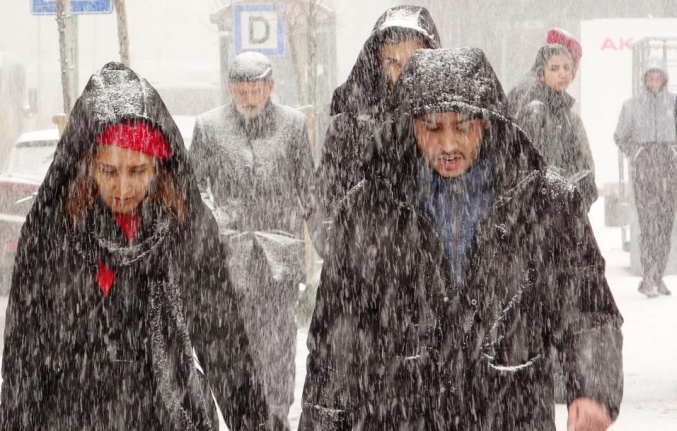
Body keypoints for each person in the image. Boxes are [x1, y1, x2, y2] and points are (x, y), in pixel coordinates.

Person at [299, 48, 623, 431]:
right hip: (399, 416)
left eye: (463, 126)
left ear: (487, 123)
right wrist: (323, 421)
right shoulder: (368, 210)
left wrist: (592, 388)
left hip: (509, 415)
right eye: (432, 127)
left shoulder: (545, 203)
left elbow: (586, 307)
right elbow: (338, 334)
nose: (448, 144)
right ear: (410, 126)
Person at [0, 62, 285, 431]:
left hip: (165, 410)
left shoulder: (184, 227)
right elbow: (25, 356)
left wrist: (253, 423)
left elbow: (222, 339)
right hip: (72, 413)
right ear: (87, 166)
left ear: (159, 168)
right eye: (109, 171)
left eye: (137, 171)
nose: (122, 189)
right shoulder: (54, 231)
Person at [190, 51, 315, 424]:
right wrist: (215, 225)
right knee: (235, 347)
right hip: (231, 261)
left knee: (278, 347)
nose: (248, 97)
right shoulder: (209, 127)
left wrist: (330, 243)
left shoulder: (292, 126)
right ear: (230, 88)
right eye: (241, 90)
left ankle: (276, 415)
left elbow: (308, 191)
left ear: (270, 86)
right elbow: (193, 190)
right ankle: (244, 418)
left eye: (255, 89)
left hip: (278, 261)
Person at [313, 5, 440, 255]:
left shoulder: (449, 122)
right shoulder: (348, 127)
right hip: (366, 273)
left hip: (431, 274)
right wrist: (344, 252)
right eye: (393, 61)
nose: (403, 72)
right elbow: (324, 201)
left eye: (413, 60)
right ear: (379, 63)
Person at [614, 57, 677, 298]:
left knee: (666, 224)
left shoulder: (674, 102)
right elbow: (620, 135)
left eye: (658, 76)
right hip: (645, 169)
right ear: (644, 79)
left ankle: (659, 275)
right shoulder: (631, 105)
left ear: (664, 79)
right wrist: (637, 152)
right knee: (649, 225)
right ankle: (647, 276)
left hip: (669, 169)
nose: (654, 81)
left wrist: (673, 151)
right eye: (650, 76)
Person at [517, 44, 598, 208]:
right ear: (541, 74)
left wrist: (583, 186)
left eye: (567, 67)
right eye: (554, 68)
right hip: (544, 210)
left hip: (564, 208)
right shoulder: (535, 112)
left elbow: (579, 161)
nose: (563, 73)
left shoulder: (567, 115)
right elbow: (528, 166)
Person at [507, 27, 583, 118]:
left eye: (567, 68)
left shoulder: (546, 91)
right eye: (572, 64)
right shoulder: (533, 94)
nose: (565, 74)